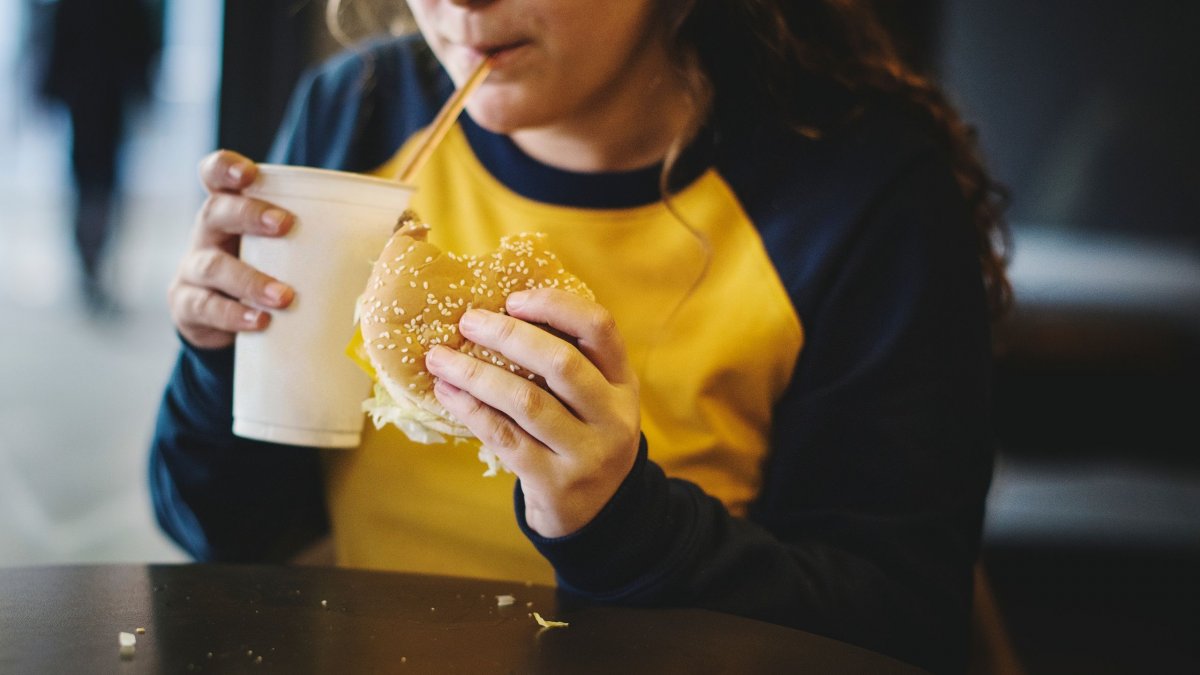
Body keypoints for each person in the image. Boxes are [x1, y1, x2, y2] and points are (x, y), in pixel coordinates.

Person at [150, 1, 1011, 673]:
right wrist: (223, 358)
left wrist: (620, 523)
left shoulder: (863, 192)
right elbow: (221, 533)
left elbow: (900, 627)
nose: (459, 2)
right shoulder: (357, 115)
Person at [35, 0, 163, 314]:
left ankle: (91, 260)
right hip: (97, 102)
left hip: (98, 102)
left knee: (94, 185)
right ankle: (90, 260)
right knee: (94, 185)